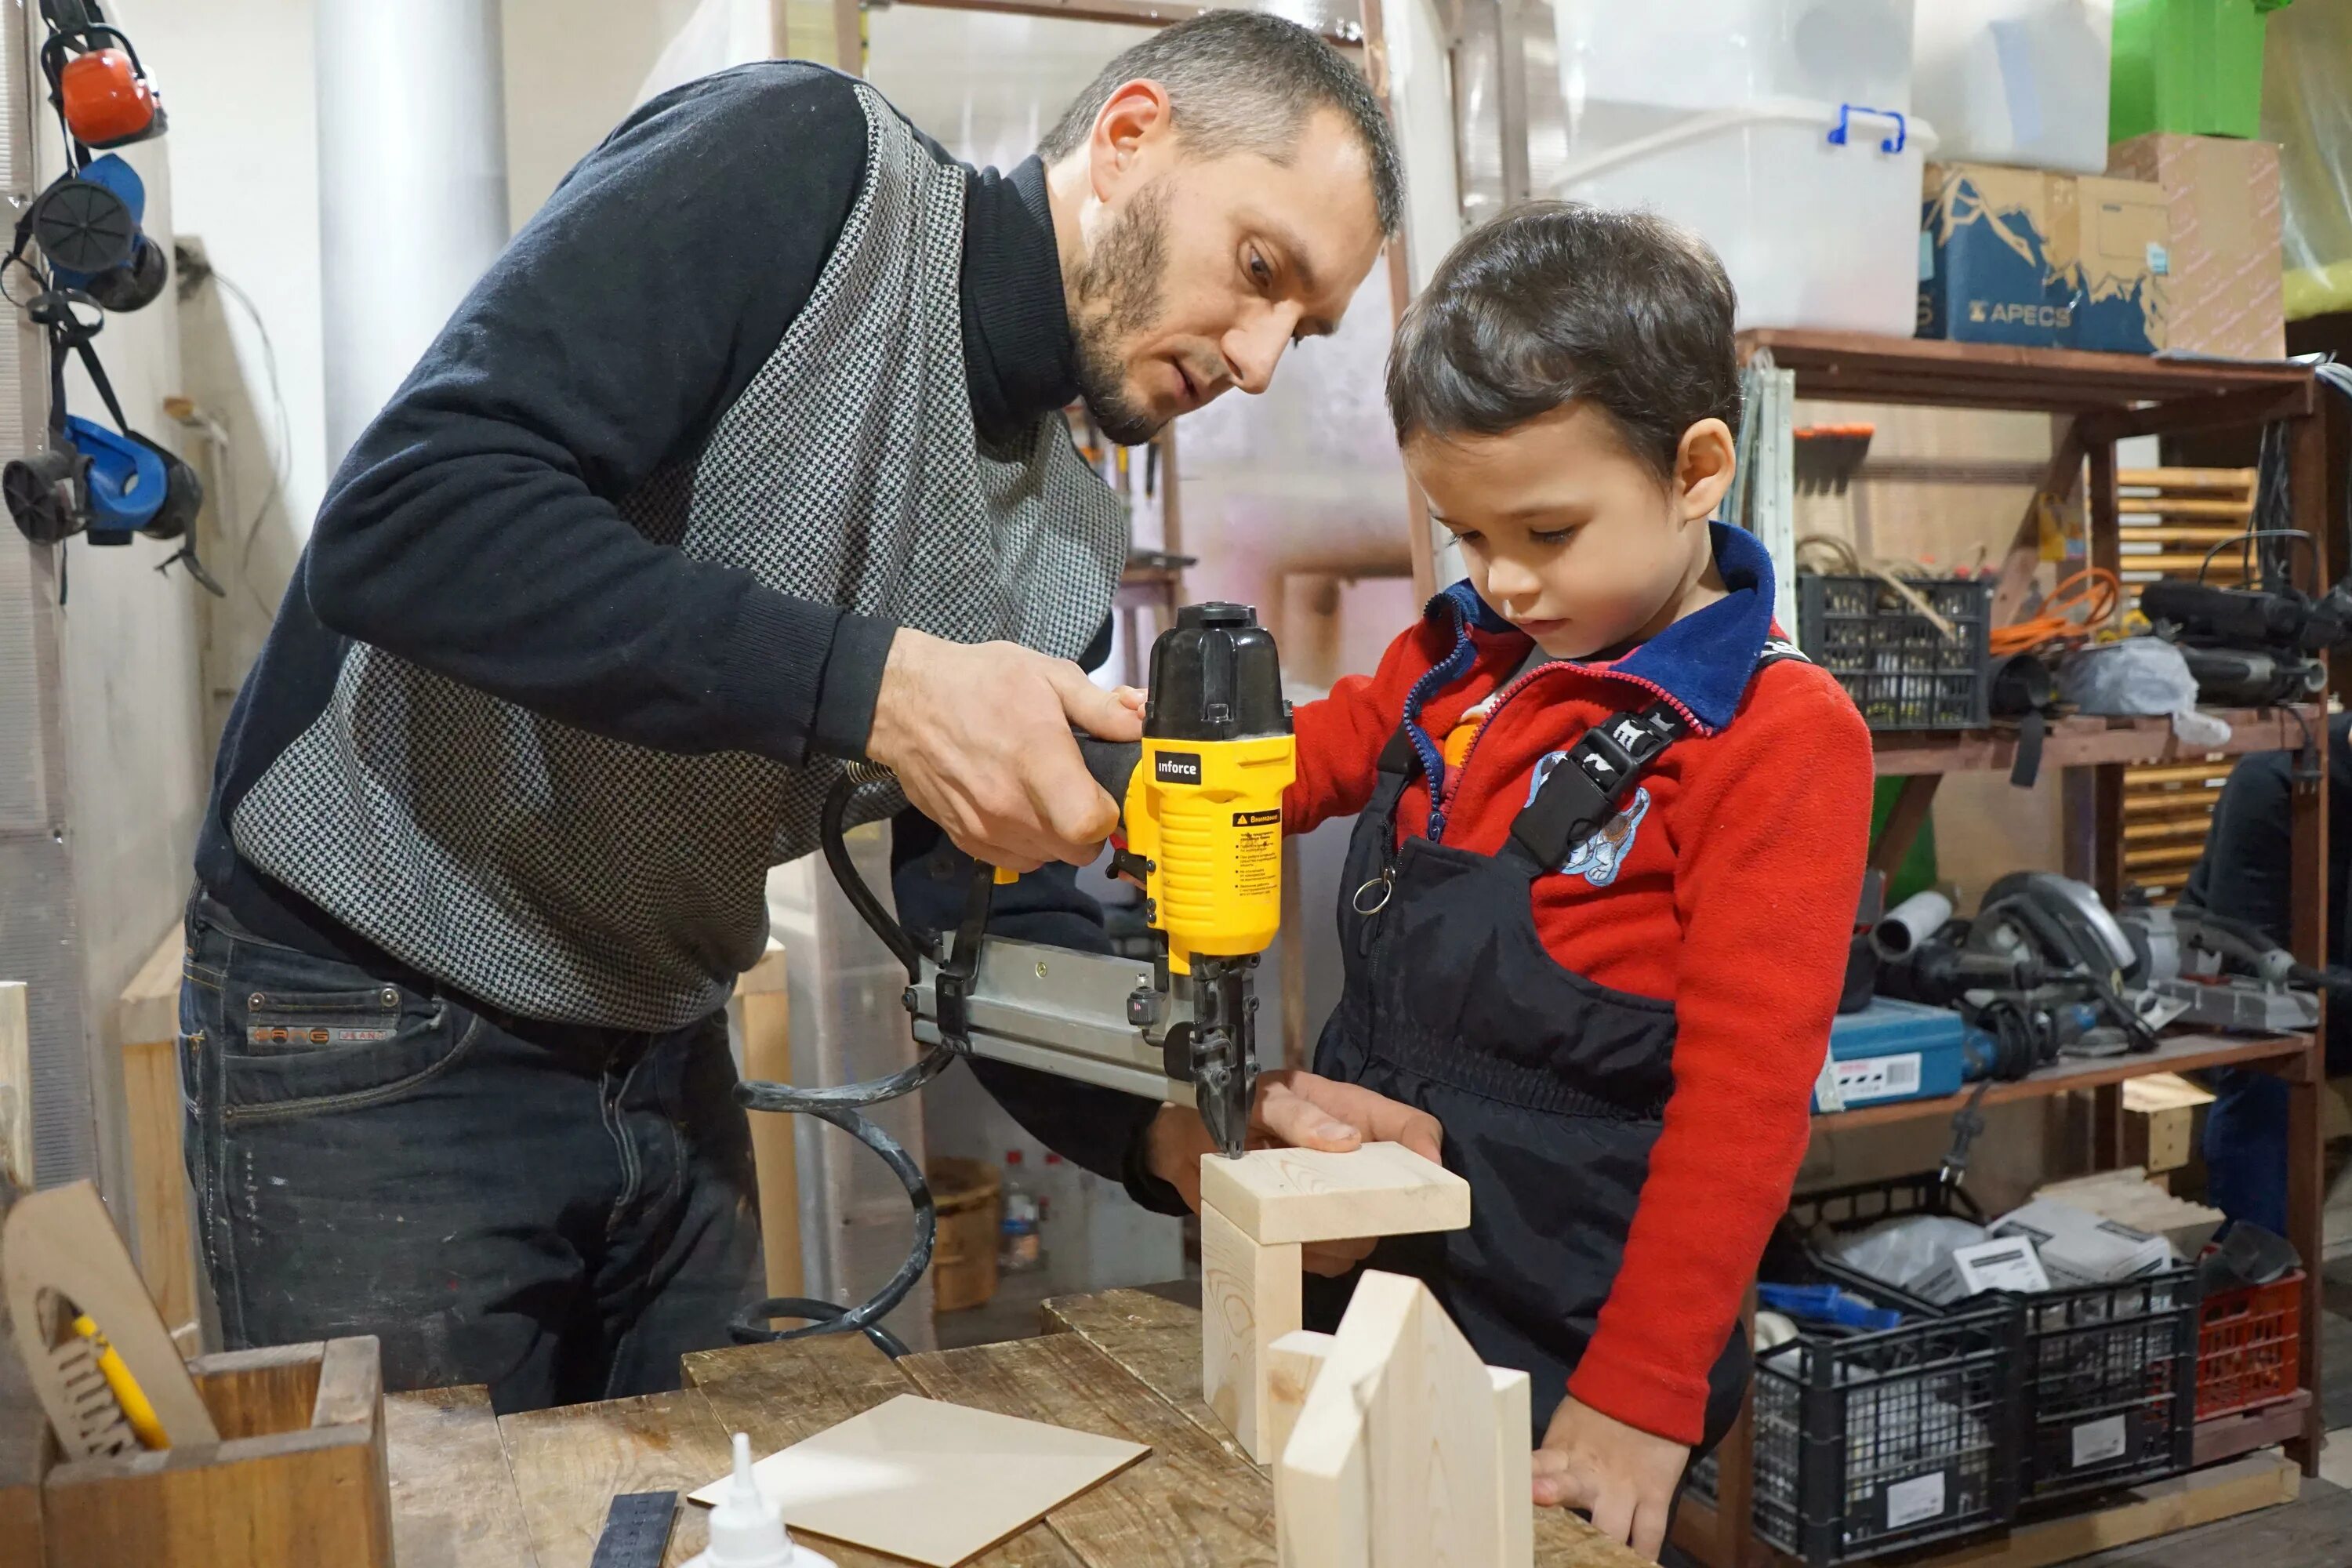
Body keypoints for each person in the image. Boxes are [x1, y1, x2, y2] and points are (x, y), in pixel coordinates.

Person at [180, 14, 1407, 1413]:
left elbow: (988, 926)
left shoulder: (1066, 543)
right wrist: (880, 687)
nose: (1257, 358)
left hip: (661, 1041)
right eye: (1259, 272)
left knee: (704, 1520)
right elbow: (409, 523)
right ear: (1130, 138)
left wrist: (1182, 1131)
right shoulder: (808, 171)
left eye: (1300, 331)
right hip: (376, 1012)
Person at [1138, 205, 1874, 1561]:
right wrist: (1137, 783)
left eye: (1546, 529)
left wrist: (1642, 1396)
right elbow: (1306, 761)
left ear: (1698, 468)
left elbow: (1744, 1116)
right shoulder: (1458, 659)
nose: (1506, 580)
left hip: (1576, 1322)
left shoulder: (1775, 739)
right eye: (1465, 534)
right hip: (1378, 1270)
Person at [2189, 712, 2352, 1237]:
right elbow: (2248, 959)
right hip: (2264, 995)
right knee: (2264, 1072)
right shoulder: (2275, 781)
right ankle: (2256, 1272)